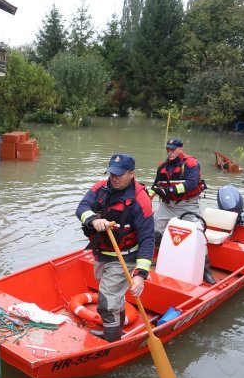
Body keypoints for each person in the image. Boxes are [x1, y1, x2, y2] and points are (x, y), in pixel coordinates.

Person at [76, 154, 155, 342]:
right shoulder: (100, 187)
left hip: (124, 257)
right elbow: (82, 207)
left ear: (132, 174)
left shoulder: (140, 200)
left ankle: (112, 341)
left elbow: (147, 238)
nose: (114, 178)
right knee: (114, 297)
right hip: (101, 253)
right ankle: (114, 329)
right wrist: (93, 220)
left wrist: (140, 274)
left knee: (106, 301)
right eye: (112, 173)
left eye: (119, 175)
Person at [150, 138, 215, 284]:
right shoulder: (162, 166)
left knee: (198, 236)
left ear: (181, 149)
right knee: (154, 230)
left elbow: (191, 184)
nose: (170, 152)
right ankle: (167, 255)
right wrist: (145, 198)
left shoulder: (191, 163)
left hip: (187, 205)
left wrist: (170, 190)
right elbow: (154, 186)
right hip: (167, 205)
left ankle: (206, 271)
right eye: (168, 149)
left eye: (173, 149)